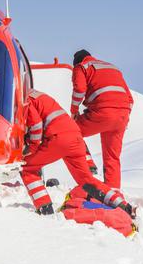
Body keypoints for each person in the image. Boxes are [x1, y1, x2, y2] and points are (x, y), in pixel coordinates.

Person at [22, 89, 134, 217]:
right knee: (86, 180)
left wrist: (30, 149)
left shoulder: (24, 98)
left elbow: (36, 126)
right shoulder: (38, 95)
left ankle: (45, 209)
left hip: (58, 138)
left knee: (27, 168)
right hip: (76, 137)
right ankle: (122, 205)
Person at [70, 50, 133, 189]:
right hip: (122, 116)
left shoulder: (81, 67)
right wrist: (124, 118)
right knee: (112, 158)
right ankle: (114, 193)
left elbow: (79, 89)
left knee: (71, 131)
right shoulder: (113, 68)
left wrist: (74, 111)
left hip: (102, 113)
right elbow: (130, 99)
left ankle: (89, 165)